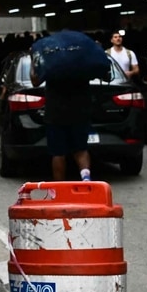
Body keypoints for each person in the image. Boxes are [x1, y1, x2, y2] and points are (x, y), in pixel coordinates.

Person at [30, 30, 104, 181]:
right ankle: (86, 180)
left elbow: (35, 81)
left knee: (58, 153)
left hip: (55, 113)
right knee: (81, 150)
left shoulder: (52, 62)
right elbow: (101, 70)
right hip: (80, 111)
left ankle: (60, 188)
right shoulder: (82, 61)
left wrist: (33, 60)